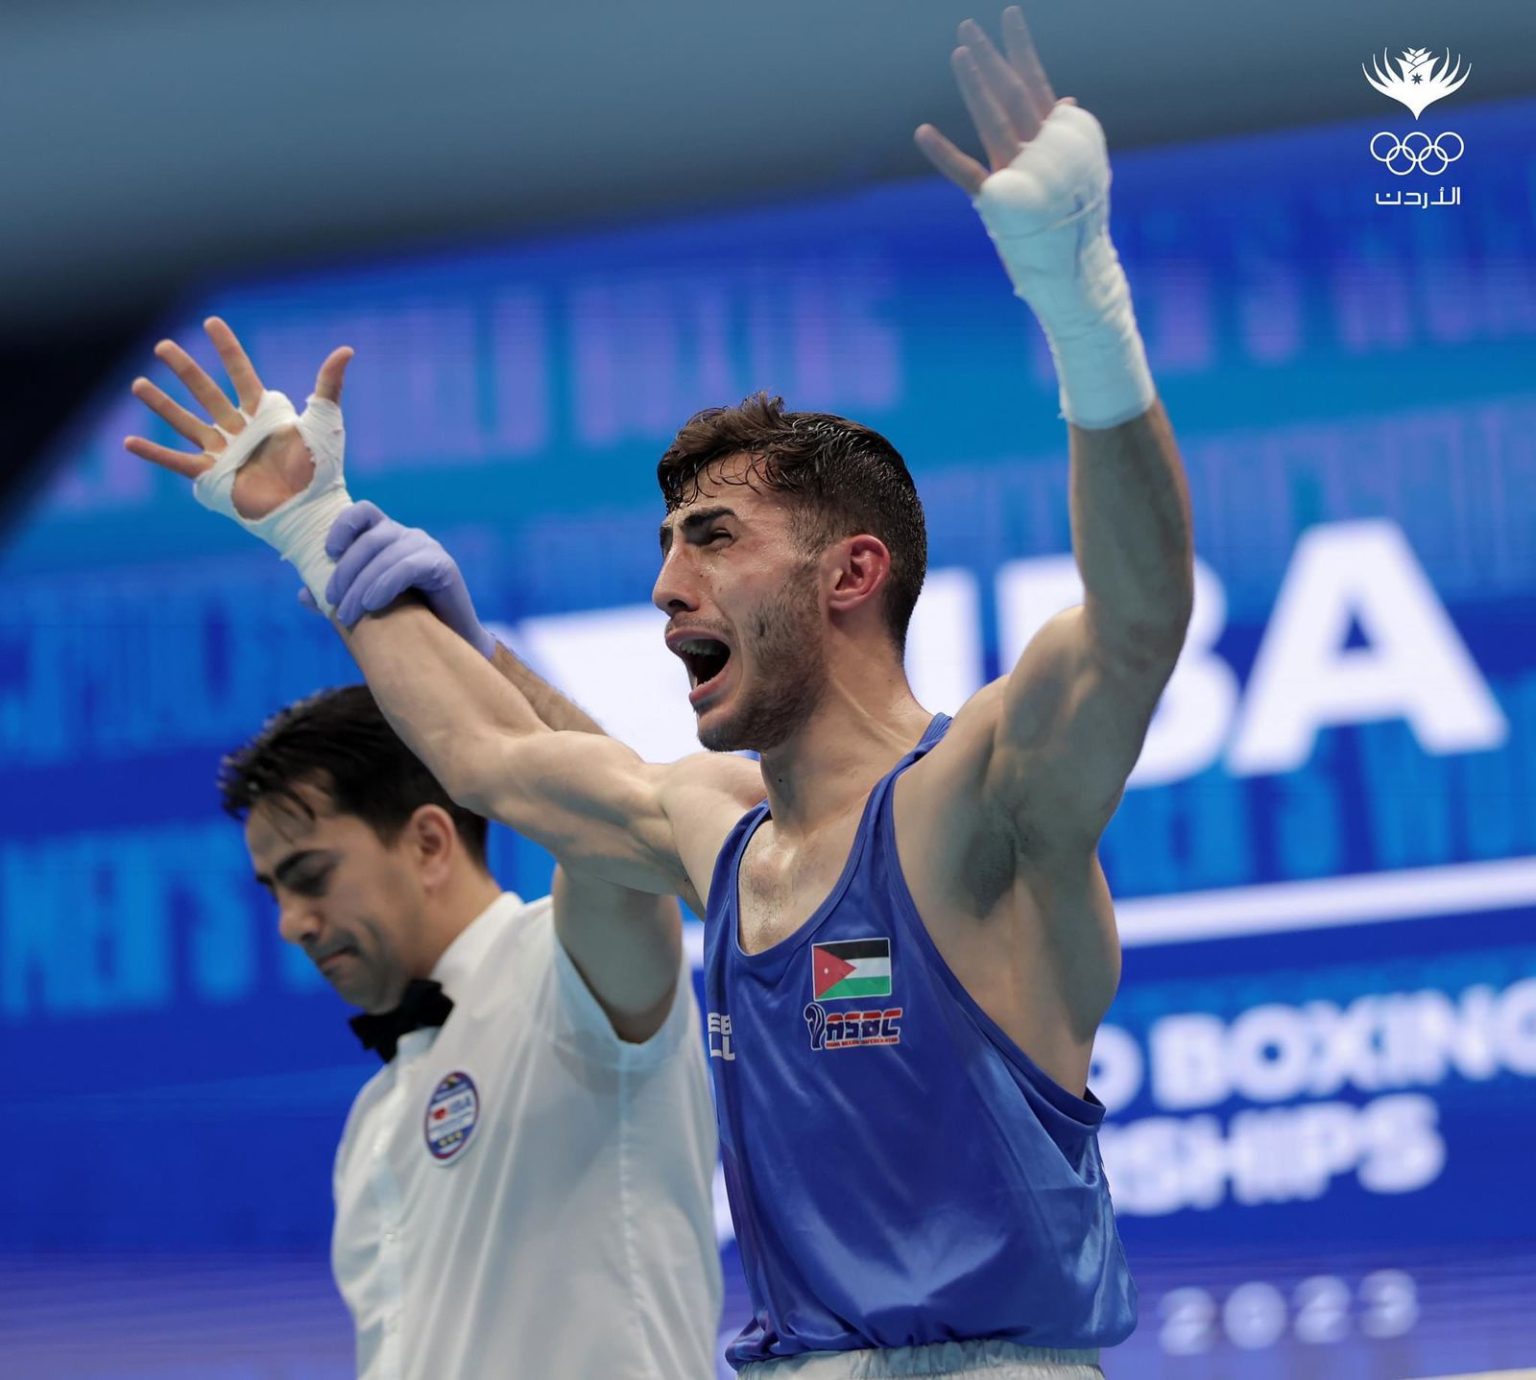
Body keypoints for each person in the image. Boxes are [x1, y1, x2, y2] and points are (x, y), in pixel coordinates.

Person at [126, 10, 1194, 1375]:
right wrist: (313, 529)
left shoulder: (982, 793)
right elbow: (489, 758)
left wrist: (1076, 290)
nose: (666, 586)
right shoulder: (713, 833)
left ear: (852, 572)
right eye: (666, 545)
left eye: (714, 538)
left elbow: (1138, 619)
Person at [206, 524, 724, 1380]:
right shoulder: (372, 1123)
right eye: (274, 892)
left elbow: (622, 824)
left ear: (429, 843)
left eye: (311, 876)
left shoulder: (566, 974)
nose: (292, 923)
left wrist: (477, 659)